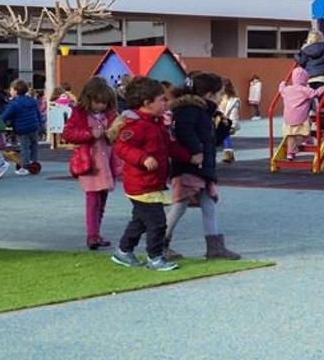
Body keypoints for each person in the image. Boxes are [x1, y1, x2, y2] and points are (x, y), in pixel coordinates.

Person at [110, 77, 197, 271]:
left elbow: (169, 145)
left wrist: (189, 157)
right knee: (157, 223)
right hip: (141, 185)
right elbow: (122, 147)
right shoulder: (137, 125)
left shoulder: (155, 123)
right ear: (147, 103)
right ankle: (155, 257)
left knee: (140, 221)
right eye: (161, 99)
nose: (166, 103)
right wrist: (143, 158)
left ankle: (124, 252)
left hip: (151, 183)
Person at [162, 73, 241, 260]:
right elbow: (184, 132)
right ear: (209, 94)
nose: (222, 97)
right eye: (220, 93)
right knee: (180, 204)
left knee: (208, 204)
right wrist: (195, 151)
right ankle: (160, 243)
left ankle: (214, 247)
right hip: (189, 167)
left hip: (202, 167)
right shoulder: (189, 110)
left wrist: (223, 128)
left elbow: (210, 140)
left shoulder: (204, 112)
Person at [62, 77, 119, 250]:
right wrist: (89, 133)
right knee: (93, 199)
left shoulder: (111, 114)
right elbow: (68, 133)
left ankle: (96, 232)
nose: (101, 106)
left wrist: (112, 133)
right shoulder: (79, 113)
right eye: (98, 102)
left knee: (102, 199)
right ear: (89, 99)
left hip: (107, 160)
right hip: (90, 162)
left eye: (104, 103)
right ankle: (92, 235)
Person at [279, 68, 324, 161]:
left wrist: (283, 83)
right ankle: (307, 139)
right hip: (301, 118)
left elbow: (281, 89)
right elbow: (316, 93)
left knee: (291, 135)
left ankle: (290, 153)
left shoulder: (287, 90)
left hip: (288, 119)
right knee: (307, 125)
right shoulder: (305, 90)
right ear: (305, 79)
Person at [1, 79, 43, 175]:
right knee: (34, 145)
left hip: (22, 128)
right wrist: (40, 125)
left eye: (11, 89)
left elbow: (5, 116)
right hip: (34, 126)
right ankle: (34, 162)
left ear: (15, 91)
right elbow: (38, 114)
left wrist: (0, 121)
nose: (10, 91)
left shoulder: (14, 104)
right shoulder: (32, 101)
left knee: (24, 147)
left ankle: (25, 166)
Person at [218, 78, 241, 163]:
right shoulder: (219, 97)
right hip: (218, 121)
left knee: (226, 136)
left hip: (227, 122)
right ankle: (229, 154)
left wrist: (232, 125)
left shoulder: (233, 101)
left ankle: (228, 154)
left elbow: (234, 115)